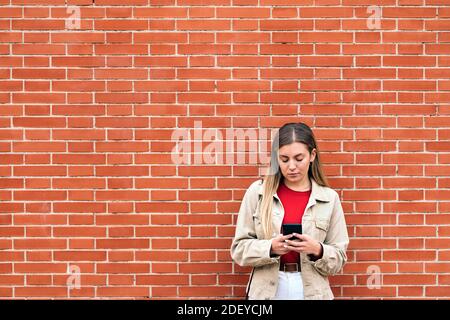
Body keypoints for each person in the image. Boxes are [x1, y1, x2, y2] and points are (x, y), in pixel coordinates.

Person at [230, 122, 349, 300]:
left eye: (298, 158)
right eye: (284, 159)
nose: (291, 166)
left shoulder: (329, 198)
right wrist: (270, 248)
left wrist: (317, 250)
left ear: (312, 155)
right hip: (267, 291)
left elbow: (339, 258)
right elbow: (238, 250)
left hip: (312, 290)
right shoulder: (258, 193)